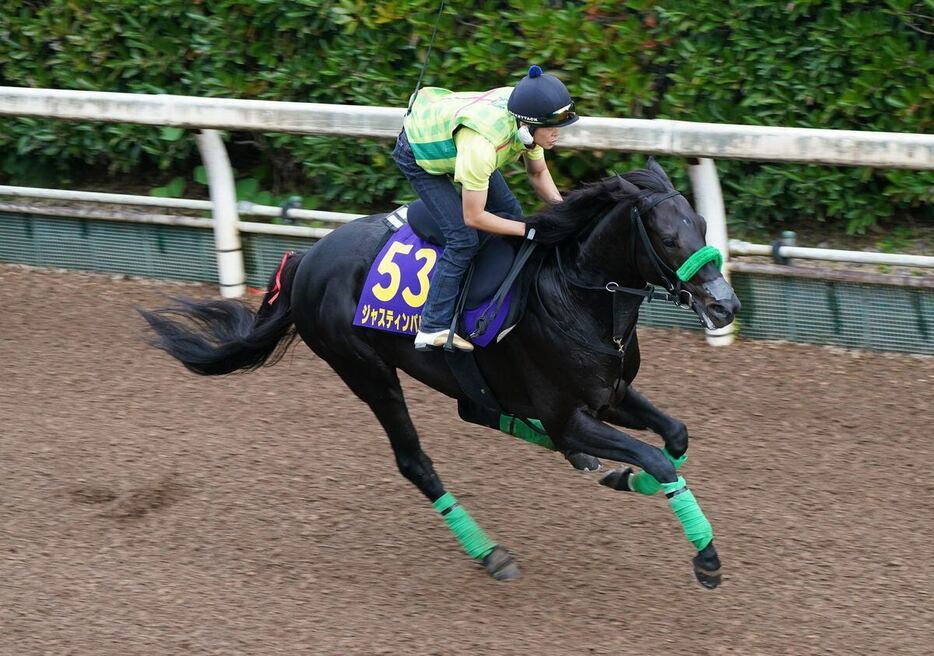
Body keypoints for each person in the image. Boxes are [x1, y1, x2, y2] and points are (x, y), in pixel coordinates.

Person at [392, 64, 579, 351]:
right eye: (552, 127)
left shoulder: (527, 124)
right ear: (529, 126)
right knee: (462, 239)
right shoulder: (482, 147)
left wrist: (566, 215)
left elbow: (538, 174)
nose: (557, 134)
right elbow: (474, 216)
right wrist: (529, 230)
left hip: (460, 142)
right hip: (420, 150)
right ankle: (432, 326)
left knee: (512, 212)